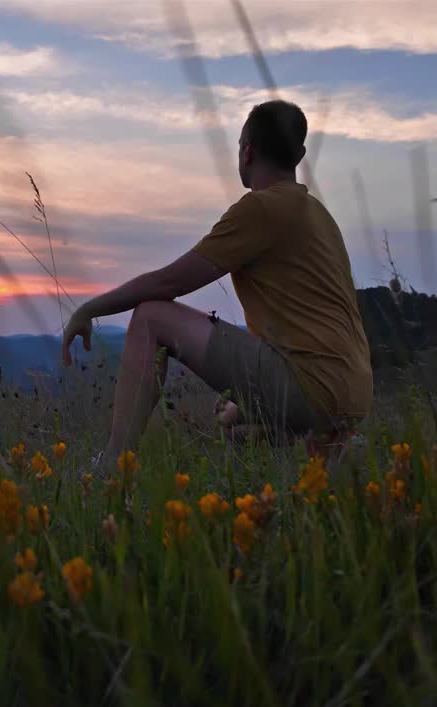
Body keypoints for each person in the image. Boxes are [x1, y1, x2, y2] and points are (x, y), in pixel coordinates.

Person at [60, 99, 372, 468]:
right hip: (354, 393)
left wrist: (90, 308)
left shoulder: (261, 208)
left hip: (313, 386)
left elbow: (168, 283)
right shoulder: (318, 215)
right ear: (299, 154)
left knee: (151, 317)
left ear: (248, 149)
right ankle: (327, 442)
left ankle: (111, 465)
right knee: (232, 421)